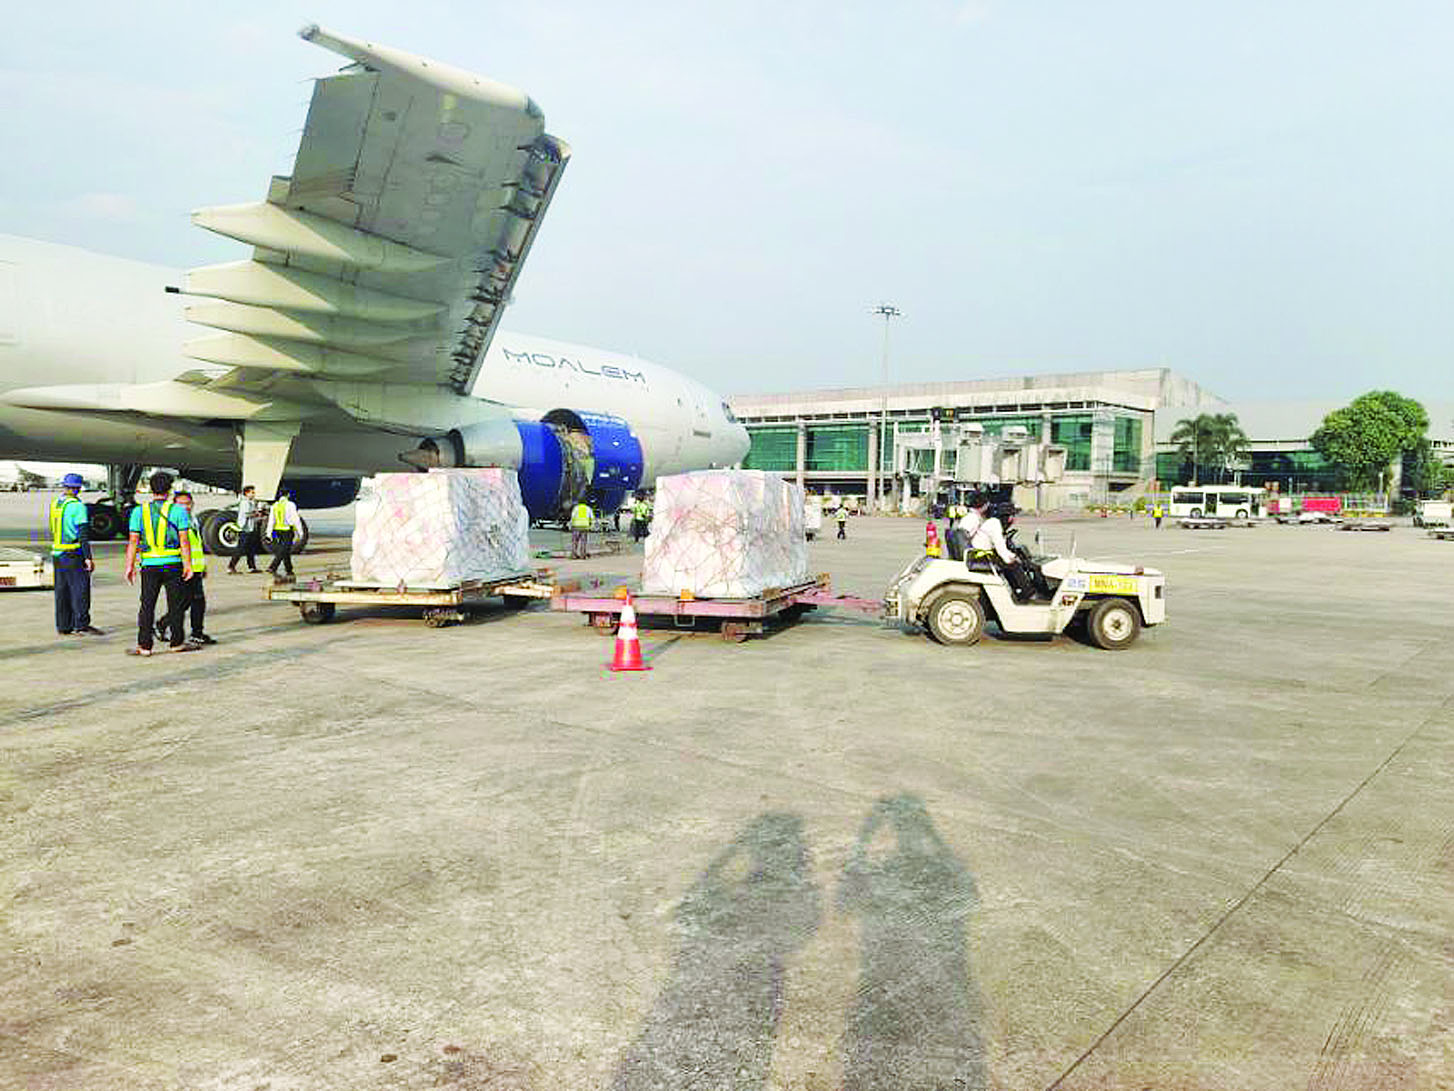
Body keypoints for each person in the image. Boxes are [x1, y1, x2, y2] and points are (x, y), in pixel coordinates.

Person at [124, 470, 197, 656]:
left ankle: (144, 646)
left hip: (149, 564)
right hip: (173, 563)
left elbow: (133, 541)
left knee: (147, 605)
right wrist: (188, 564)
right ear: (170, 489)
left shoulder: (139, 511)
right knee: (175, 605)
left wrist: (129, 566)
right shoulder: (178, 511)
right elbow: (184, 540)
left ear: (151, 488)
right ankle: (176, 643)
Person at [158, 491, 215, 647]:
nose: (186, 507)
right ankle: (164, 624)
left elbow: (196, 545)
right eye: (181, 504)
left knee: (197, 602)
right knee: (184, 602)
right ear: (174, 505)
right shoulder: (172, 523)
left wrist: (201, 566)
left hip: (195, 568)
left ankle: (196, 633)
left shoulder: (192, 520)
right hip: (182, 568)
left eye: (188, 503)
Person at [50, 472, 103, 636]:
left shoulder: (56, 504)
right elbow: (83, 534)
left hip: (57, 552)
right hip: (72, 552)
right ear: (78, 488)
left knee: (62, 591)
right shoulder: (78, 507)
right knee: (80, 590)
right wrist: (88, 557)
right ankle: (81, 624)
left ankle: (63, 626)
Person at [968, 501, 1037, 602]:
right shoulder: (994, 525)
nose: (1014, 519)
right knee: (1014, 565)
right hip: (982, 556)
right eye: (1013, 516)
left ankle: (1019, 592)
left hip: (985, 554)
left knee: (1012, 564)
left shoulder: (995, 523)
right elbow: (1001, 548)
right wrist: (1012, 559)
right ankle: (1029, 594)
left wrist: (1012, 556)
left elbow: (1002, 548)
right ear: (1008, 517)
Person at [266, 489, 304, 579]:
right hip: (287, 530)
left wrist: (268, 533)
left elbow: (271, 520)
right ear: (288, 495)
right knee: (284, 549)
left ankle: (289, 569)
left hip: (278, 530)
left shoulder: (275, 505)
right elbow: (295, 519)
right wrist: (300, 532)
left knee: (285, 550)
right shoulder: (290, 505)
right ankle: (273, 566)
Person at [227, 485, 262, 574]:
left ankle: (252, 567)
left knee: (251, 549)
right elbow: (247, 514)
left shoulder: (250, 502)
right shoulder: (245, 503)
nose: (254, 494)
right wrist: (257, 514)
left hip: (250, 528)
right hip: (244, 529)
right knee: (240, 549)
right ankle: (231, 566)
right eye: (252, 492)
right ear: (246, 493)